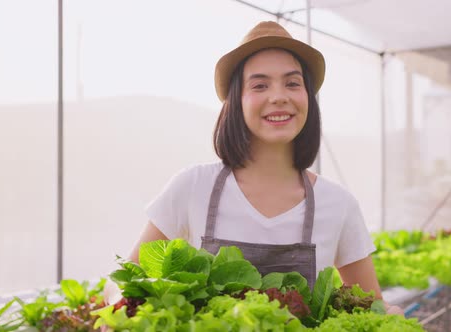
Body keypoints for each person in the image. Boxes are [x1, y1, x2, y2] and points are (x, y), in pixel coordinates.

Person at [105, 21, 403, 316]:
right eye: (260, 85)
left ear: (307, 98)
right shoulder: (193, 187)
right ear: (237, 101)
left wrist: (390, 315)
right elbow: (122, 278)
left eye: (292, 83)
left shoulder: (338, 204)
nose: (278, 96)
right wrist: (121, 302)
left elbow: (372, 304)